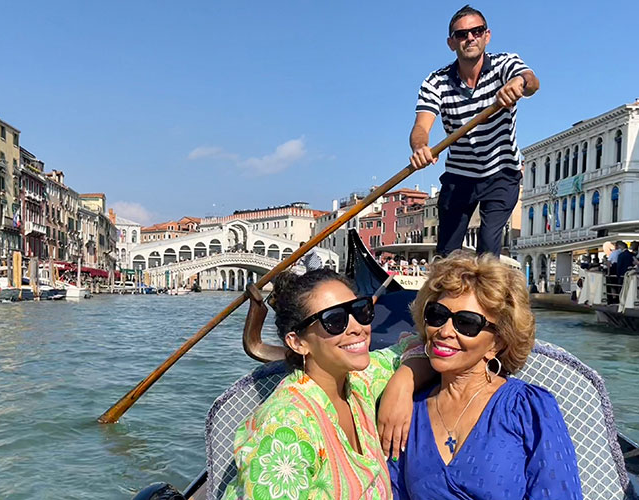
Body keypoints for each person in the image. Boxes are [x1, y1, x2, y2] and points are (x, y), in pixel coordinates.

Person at [386, 253, 582, 499]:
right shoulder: (407, 410)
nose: (444, 331)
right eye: (437, 315)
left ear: (497, 342)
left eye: (466, 323)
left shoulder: (527, 409)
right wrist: (403, 379)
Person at [224, 269, 430, 499]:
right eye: (335, 320)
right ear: (298, 342)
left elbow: (421, 346)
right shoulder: (285, 428)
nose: (357, 327)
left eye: (361, 311)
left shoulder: (358, 383)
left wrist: (402, 382)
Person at [409, 5, 539, 257]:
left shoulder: (505, 65)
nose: (470, 37)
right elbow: (421, 127)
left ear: (486, 35)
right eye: (462, 34)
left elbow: (532, 81)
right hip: (460, 175)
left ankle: (487, 296)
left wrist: (518, 83)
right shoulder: (436, 82)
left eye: (476, 31)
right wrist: (420, 147)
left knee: (488, 250)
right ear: (451, 43)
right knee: (446, 255)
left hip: (502, 172)